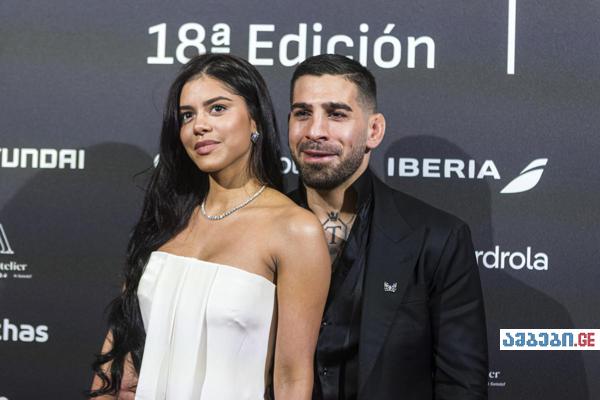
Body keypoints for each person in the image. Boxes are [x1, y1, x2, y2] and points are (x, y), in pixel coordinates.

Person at [88, 54, 330, 400]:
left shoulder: (294, 229)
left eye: (217, 108)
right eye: (187, 115)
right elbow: (118, 348)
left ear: (255, 120)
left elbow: (292, 379)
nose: (199, 125)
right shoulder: (167, 218)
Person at [287, 54, 488, 400]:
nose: (315, 131)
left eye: (337, 114)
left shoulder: (438, 238)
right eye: (302, 113)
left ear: (374, 130)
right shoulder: (253, 229)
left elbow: (462, 386)